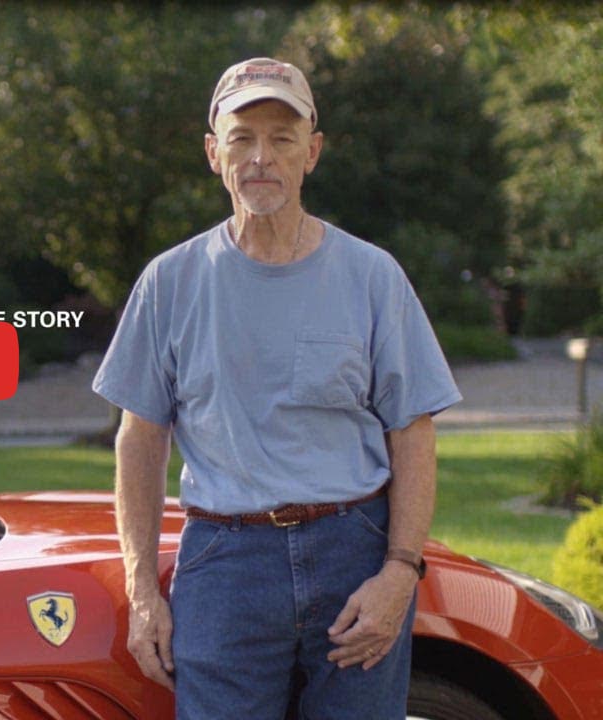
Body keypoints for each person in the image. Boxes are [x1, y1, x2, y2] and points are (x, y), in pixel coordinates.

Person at [92, 57, 461, 719]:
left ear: (311, 152)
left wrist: (400, 571)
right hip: (226, 560)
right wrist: (143, 591)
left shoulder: (372, 276)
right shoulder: (169, 282)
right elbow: (139, 441)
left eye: (282, 138)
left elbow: (413, 432)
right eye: (242, 137)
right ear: (214, 153)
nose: (261, 156)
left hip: (356, 548)